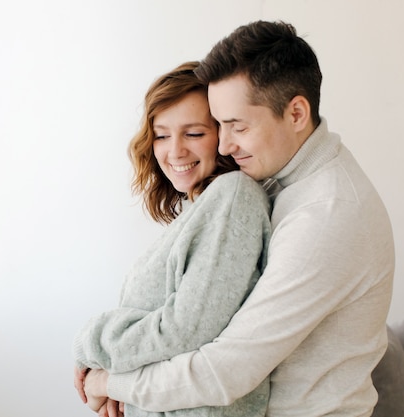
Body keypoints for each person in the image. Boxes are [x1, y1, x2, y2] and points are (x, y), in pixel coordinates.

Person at [78, 20, 395, 417]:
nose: (224, 144)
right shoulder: (279, 181)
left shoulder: (327, 214)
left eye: (237, 126)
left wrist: (110, 382)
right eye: (219, 125)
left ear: (296, 112)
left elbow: (226, 370)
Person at [73, 61, 272, 417]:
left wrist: (92, 345)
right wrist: (114, 378)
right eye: (162, 135)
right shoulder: (200, 209)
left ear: (223, 135)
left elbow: (186, 330)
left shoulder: (233, 196)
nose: (175, 151)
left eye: (194, 133)